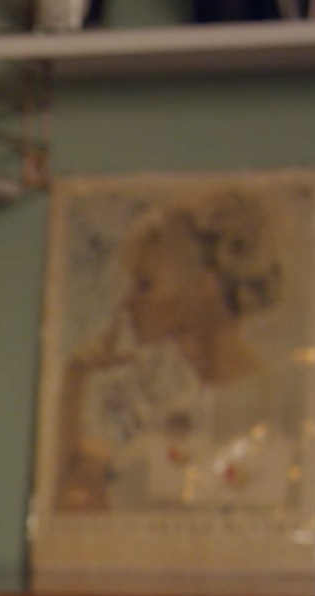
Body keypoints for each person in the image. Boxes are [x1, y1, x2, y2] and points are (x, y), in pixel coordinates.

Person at [53, 186, 298, 514]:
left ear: (205, 288)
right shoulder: (173, 404)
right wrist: (75, 379)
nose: (128, 302)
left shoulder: (266, 408)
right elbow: (67, 506)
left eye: (144, 284)